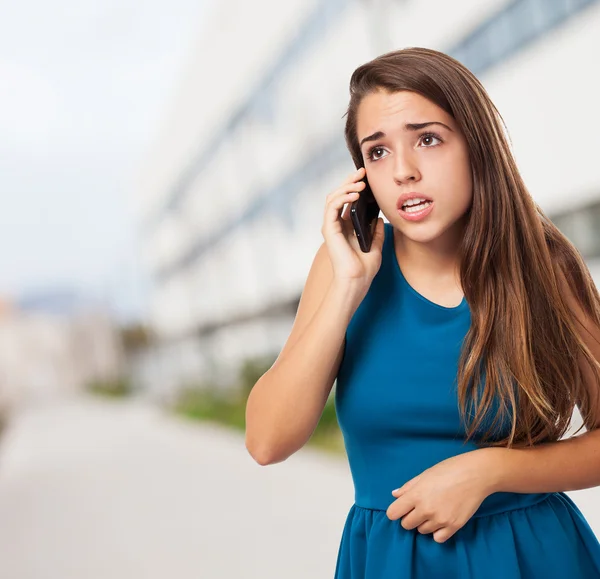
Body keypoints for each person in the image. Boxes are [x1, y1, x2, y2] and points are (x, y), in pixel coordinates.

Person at [244, 46, 600, 578]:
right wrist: (347, 287)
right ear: (361, 174)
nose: (404, 171)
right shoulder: (343, 266)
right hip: (391, 563)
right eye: (378, 152)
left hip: (533, 557)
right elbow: (267, 441)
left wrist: (491, 470)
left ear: (475, 146)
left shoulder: (542, 265)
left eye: (427, 139)